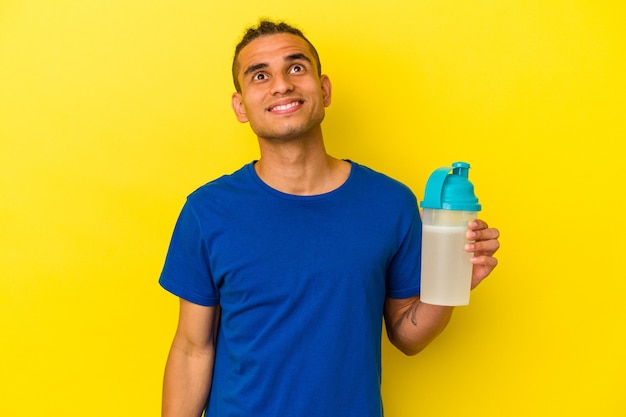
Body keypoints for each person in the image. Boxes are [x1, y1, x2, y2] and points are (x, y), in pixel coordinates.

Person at [159, 20, 500, 417]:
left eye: (296, 68)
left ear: (324, 89)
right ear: (240, 106)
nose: (282, 84)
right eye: (260, 75)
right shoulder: (207, 211)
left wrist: (452, 281)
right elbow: (192, 348)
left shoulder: (390, 202)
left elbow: (408, 335)